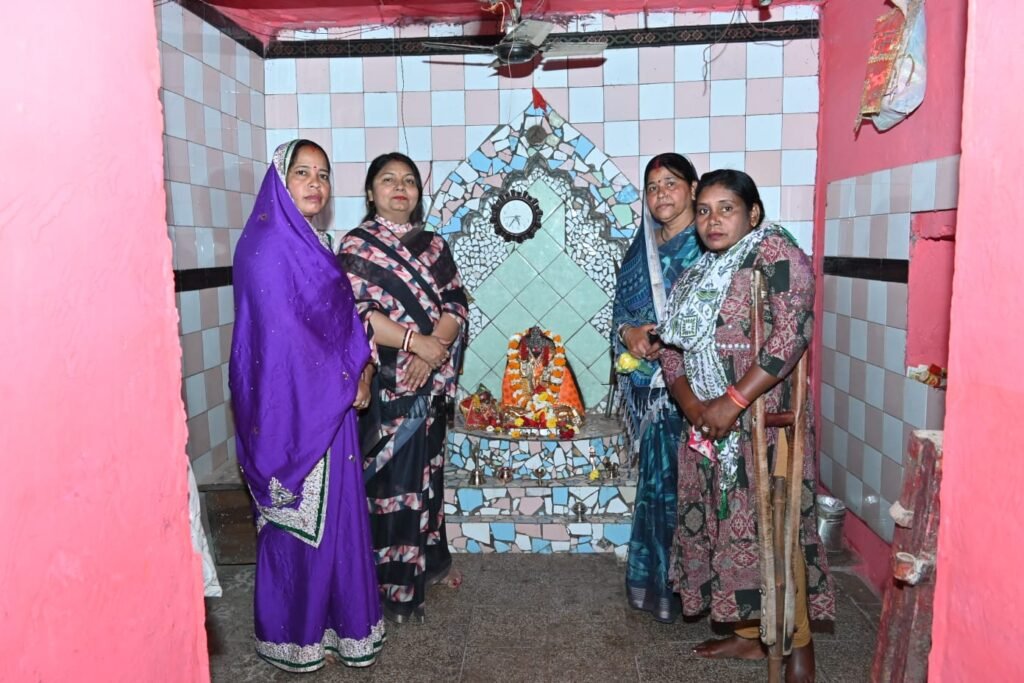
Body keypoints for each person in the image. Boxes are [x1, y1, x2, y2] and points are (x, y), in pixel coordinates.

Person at [657, 170, 834, 683]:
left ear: (753, 213)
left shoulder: (775, 253)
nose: (713, 220)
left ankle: (798, 644)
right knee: (725, 527)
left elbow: (791, 334)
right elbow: (672, 346)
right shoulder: (698, 272)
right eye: (704, 210)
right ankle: (751, 634)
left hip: (764, 421)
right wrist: (694, 405)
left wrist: (731, 402)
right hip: (708, 428)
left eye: (726, 208)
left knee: (775, 526)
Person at [229, 139, 385, 672]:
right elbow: (283, 340)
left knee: (335, 519)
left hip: (325, 401)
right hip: (291, 410)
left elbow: (336, 323)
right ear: (280, 180)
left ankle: (339, 628)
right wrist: (349, 370)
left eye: (323, 174)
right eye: (302, 172)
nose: (315, 183)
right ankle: (294, 636)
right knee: (299, 525)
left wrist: (360, 367)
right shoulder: (268, 247)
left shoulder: (312, 241)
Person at [338, 152, 469, 624]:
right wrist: (415, 344)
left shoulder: (433, 245)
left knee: (427, 479)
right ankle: (391, 587)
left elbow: (456, 302)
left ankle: (428, 567)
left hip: (429, 380)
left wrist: (434, 350)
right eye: (388, 180)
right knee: (391, 484)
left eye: (409, 180)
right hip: (386, 381)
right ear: (370, 192)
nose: (400, 187)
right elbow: (357, 312)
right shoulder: (356, 246)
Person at [612, 153, 703, 623]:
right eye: (652, 187)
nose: (661, 194)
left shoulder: (709, 246)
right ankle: (657, 588)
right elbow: (620, 312)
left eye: (670, 183)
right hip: (651, 394)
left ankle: (698, 594)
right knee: (658, 490)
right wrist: (630, 334)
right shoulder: (640, 249)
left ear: (693, 188)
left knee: (692, 492)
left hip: (699, 395)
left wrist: (671, 343)